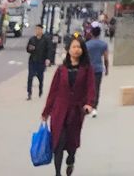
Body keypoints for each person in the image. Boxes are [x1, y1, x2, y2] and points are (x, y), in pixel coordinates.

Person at [41, 36, 94, 176]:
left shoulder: (87, 69)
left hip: (76, 112)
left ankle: (70, 160)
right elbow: (53, 91)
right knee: (58, 143)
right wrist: (46, 112)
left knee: (71, 143)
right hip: (59, 111)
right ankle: (57, 173)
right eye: (74, 47)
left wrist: (89, 104)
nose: (76, 50)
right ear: (68, 50)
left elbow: (91, 88)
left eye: (79, 47)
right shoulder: (61, 70)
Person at [84, 23, 109, 117]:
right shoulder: (103, 44)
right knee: (96, 88)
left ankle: (87, 105)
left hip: (87, 69)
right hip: (98, 69)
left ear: (91, 33)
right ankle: (94, 108)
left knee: (87, 88)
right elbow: (106, 58)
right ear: (99, 34)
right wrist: (107, 69)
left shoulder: (86, 45)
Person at [26, 24, 54, 100]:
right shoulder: (32, 39)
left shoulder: (46, 39)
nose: (37, 31)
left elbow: (50, 49)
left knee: (40, 77)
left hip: (41, 61)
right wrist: (30, 48)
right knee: (30, 77)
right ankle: (29, 93)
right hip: (32, 61)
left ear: (41, 30)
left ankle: (40, 89)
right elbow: (28, 49)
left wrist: (48, 59)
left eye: (38, 29)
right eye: (36, 29)